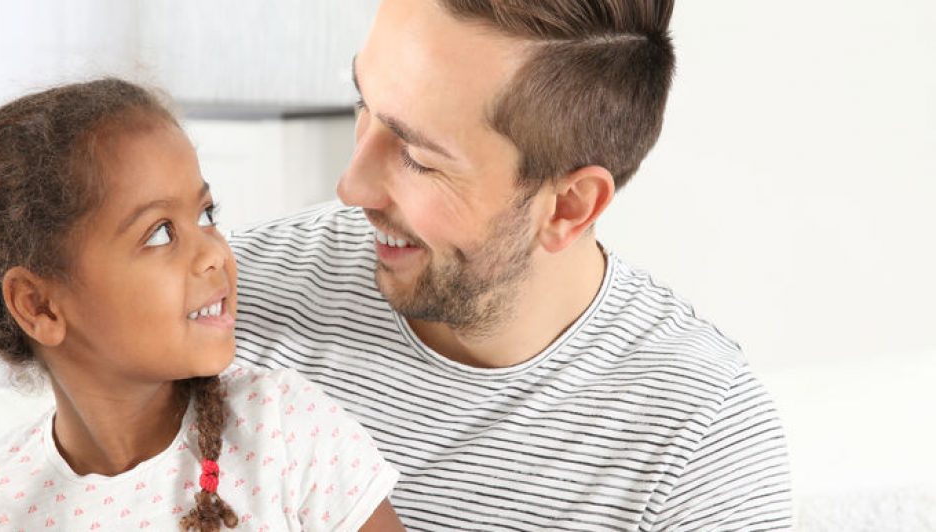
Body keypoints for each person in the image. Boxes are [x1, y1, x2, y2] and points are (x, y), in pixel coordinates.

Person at [229, 0, 791, 530]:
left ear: (569, 207)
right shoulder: (225, 303)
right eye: (363, 103)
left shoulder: (698, 440)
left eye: (418, 158)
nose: (351, 186)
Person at [0, 79, 403, 531]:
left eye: (206, 215)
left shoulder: (283, 430)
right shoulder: (3, 505)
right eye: (160, 233)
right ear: (40, 306)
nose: (214, 253)